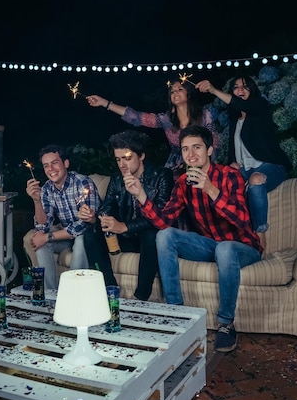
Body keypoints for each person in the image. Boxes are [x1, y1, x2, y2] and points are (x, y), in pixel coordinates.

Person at [123, 125, 262, 353]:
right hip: (210, 246)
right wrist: (141, 195)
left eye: (196, 147)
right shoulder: (182, 183)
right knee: (165, 235)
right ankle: (177, 314)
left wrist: (210, 189)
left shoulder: (230, 175)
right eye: (185, 149)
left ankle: (226, 324)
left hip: (243, 247)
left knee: (225, 249)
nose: (190, 154)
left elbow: (243, 220)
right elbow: (163, 222)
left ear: (209, 150)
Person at [196, 76, 292, 251]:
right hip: (244, 170)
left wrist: (214, 90)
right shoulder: (235, 120)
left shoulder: (260, 107)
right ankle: (221, 238)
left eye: (245, 87)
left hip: (271, 166)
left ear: (252, 90)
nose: (240, 90)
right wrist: (232, 164)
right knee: (219, 181)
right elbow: (236, 150)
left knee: (255, 180)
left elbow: (241, 105)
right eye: (236, 87)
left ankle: (260, 235)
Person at [78, 130, 173, 301]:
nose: (122, 164)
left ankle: (141, 296)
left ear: (141, 155)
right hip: (126, 237)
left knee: (150, 234)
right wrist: (96, 217)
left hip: (148, 239)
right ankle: (109, 289)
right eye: (118, 159)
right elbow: (106, 206)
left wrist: (124, 226)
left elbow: (160, 217)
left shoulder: (162, 176)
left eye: (127, 158)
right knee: (90, 233)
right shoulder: (116, 180)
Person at [86, 79, 219, 178]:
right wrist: (105, 103)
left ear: (188, 94)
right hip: (176, 168)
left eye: (180, 89)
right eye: (172, 91)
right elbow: (137, 117)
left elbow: (214, 143)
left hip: (202, 163)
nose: (175, 93)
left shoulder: (203, 115)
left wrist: (210, 166)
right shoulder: (167, 120)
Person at [26, 144, 101, 290]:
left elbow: (83, 225)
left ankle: (72, 292)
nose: (51, 169)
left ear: (65, 163)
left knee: (80, 240)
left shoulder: (82, 182)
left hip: (90, 234)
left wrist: (47, 237)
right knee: (39, 243)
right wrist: (37, 200)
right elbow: (42, 226)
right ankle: (50, 295)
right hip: (67, 234)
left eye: (54, 163)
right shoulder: (47, 188)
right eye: (46, 165)